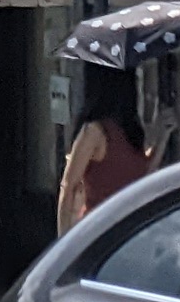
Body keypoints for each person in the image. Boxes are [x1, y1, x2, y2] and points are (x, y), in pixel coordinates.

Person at [54, 62, 153, 237]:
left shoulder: (127, 132)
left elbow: (144, 173)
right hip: (102, 234)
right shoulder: (97, 132)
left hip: (129, 235)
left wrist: (162, 136)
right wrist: (63, 243)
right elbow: (69, 187)